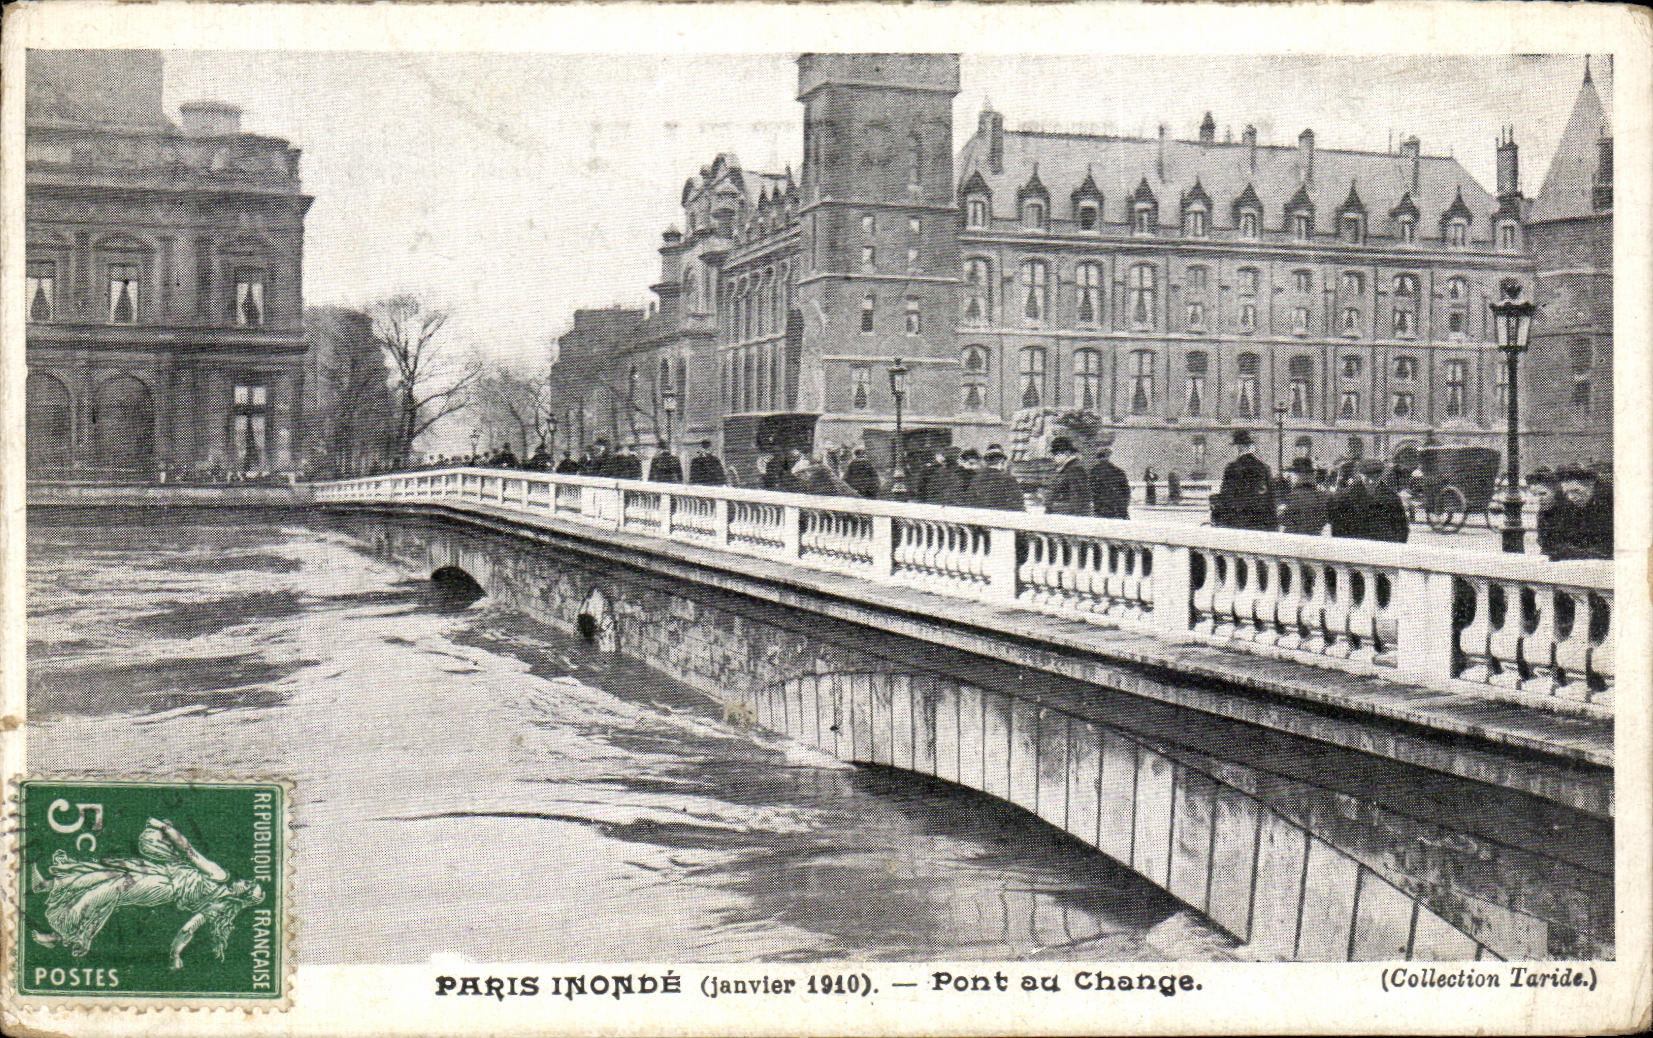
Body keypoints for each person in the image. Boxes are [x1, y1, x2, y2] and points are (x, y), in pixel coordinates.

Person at [30, 818, 265, 969]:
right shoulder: (217, 908)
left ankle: (61, 932)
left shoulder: (220, 876)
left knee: (112, 887)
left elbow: (190, 852)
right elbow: (187, 930)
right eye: (246, 881)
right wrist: (175, 955)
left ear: (241, 896)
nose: (242, 881)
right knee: (106, 873)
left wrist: (166, 829)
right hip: (162, 873)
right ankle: (48, 886)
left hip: (162, 886)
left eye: (245, 885)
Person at [1210, 430, 1277, 531]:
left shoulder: (1232, 468)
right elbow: (1271, 500)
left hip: (1237, 525)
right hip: (1261, 526)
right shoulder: (1264, 468)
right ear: (1251, 448)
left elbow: (1226, 498)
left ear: (1238, 448)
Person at [1542, 467, 1613, 559]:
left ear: (1591, 486)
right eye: (1567, 493)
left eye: (1576, 491)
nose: (1571, 497)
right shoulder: (1569, 508)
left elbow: (1606, 547)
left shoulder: (1608, 505)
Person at [1277, 457, 1330, 536]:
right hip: (1315, 538)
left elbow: (1283, 519)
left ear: (1298, 475)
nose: (1290, 477)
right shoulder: (1321, 496)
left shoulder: (1294, 495)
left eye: (1292, 473)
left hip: (1295, 539)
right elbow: (1324, 519)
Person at [1043, 437, 1092, 516]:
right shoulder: (1064, 468)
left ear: (1067, 453)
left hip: (1065, 515)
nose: (1053, 457)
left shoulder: (1075, 468)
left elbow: (1077, 496)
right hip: (1059, 512)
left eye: (1056, 454)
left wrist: (1071, 518)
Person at [1089, 447, 1131, 520]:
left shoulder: (1094, 471)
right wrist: (1124, 505)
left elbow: (1092, 490)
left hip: (1102, 509)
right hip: (1119, 508)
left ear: (1098, 458)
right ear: (1108, 457)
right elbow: (1126, 491)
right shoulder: (1119, 471)